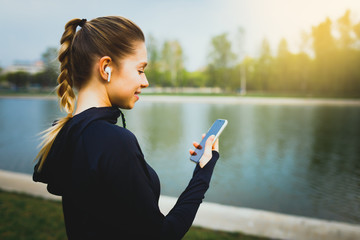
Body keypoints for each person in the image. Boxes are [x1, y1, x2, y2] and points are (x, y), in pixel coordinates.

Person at [33, 16, 220, 240]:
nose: (145, 81)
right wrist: (203, 172)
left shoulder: (66, 133)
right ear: (106, 68)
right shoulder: (114, 141)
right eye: (140, 70)